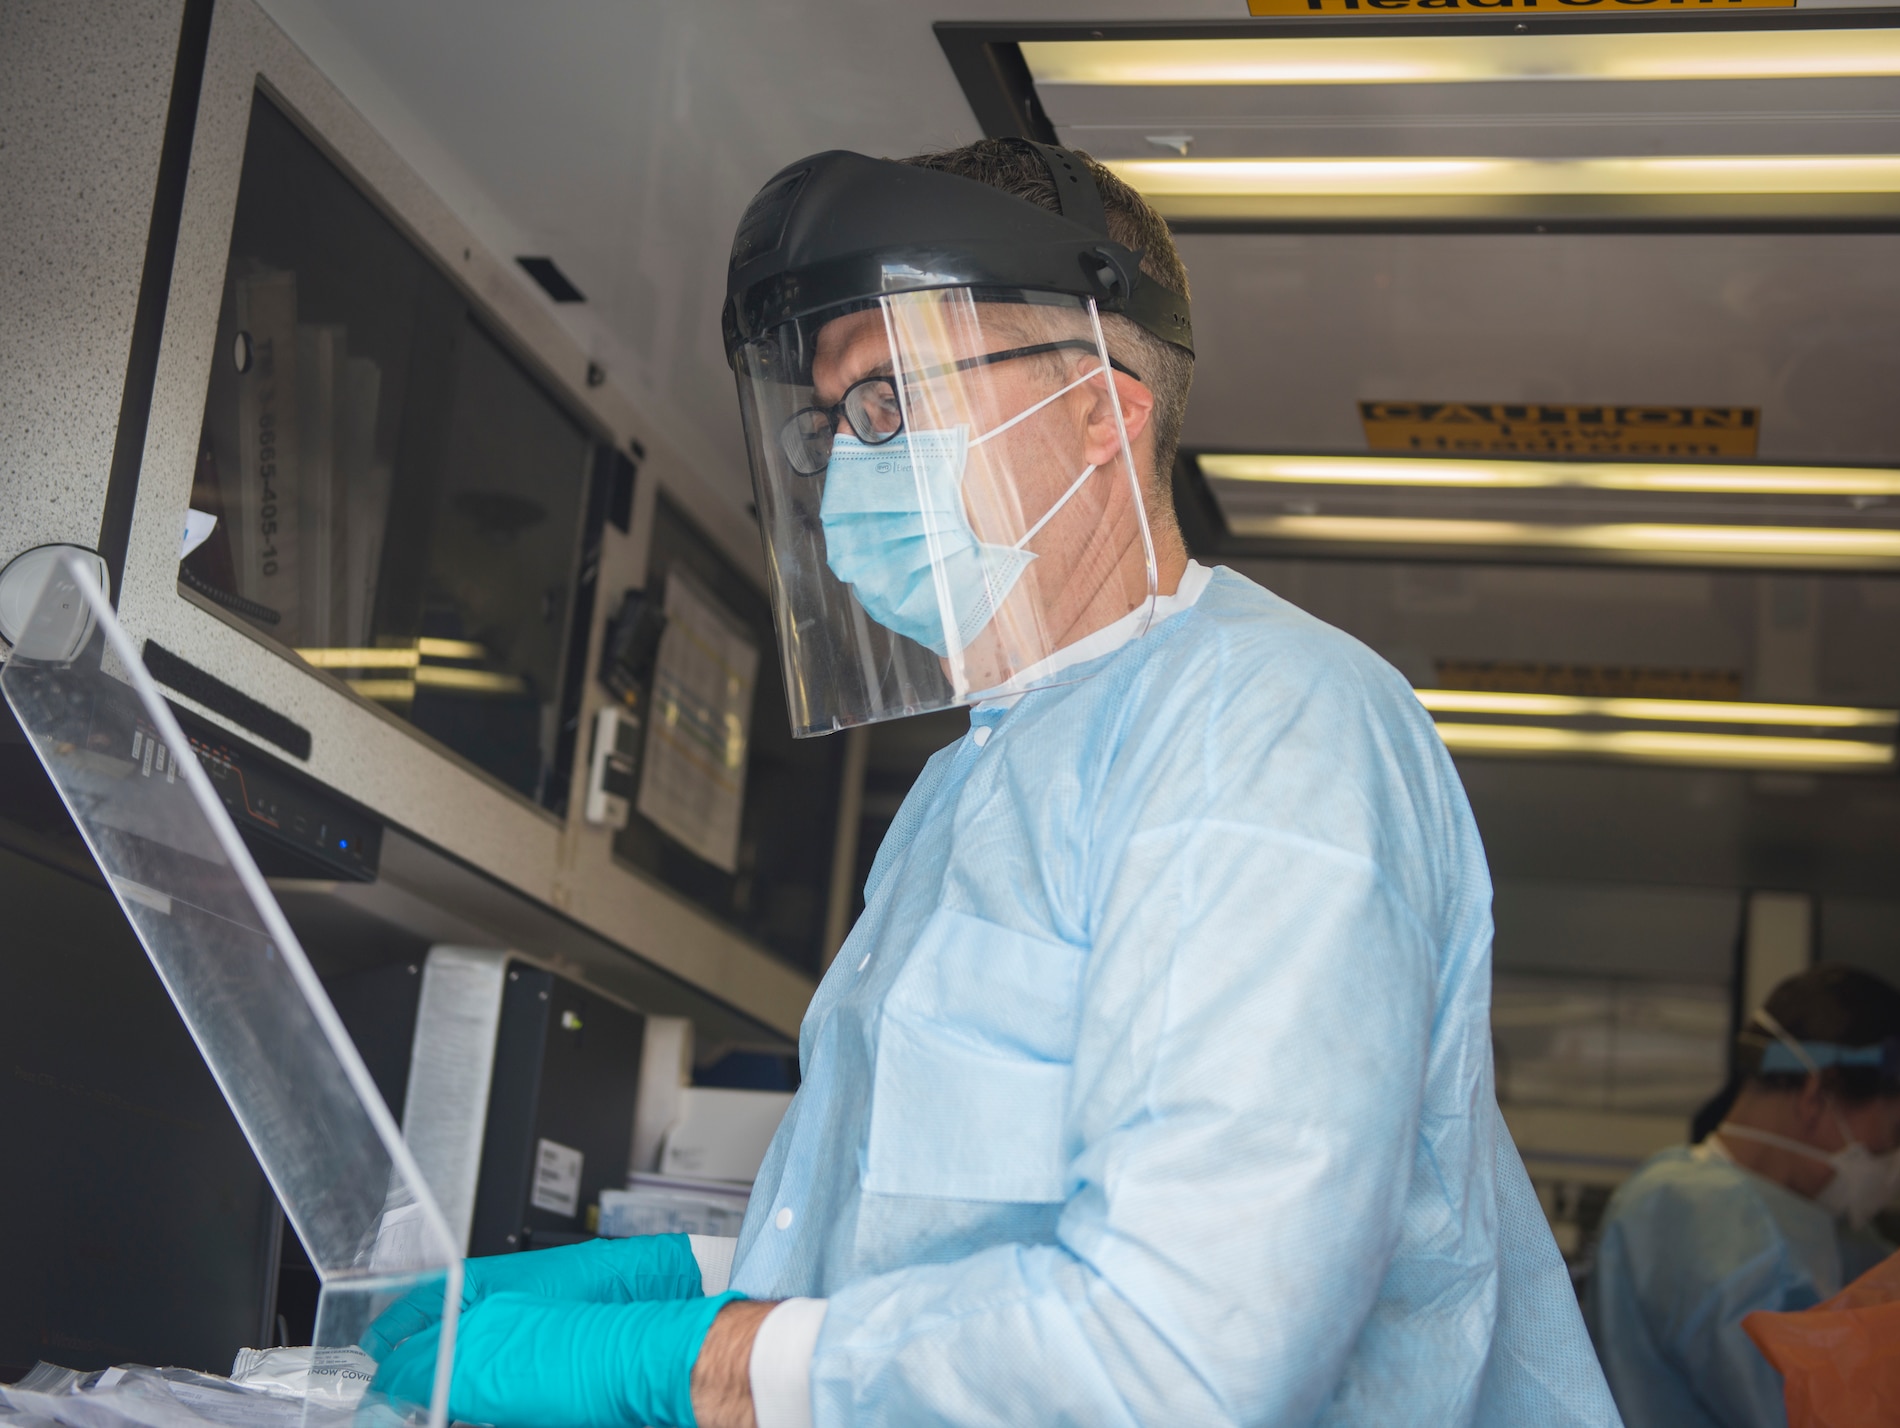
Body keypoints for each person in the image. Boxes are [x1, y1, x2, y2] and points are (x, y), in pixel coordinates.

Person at [373, 140, 1618, 1427]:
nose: (849, 462)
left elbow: (1192, 1348)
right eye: (832, 422)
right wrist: (698, 1278)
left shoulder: (1262, 723)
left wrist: (696, 1366)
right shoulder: (979, 774)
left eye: (889, 400)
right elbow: (951, 1232)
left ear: (1099, 410)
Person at [1584, 964, 1900, 1428]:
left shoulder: (1816, 1228)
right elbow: (1798, 1409)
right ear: (1816, 1096)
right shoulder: (1694, 1212)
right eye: (1899, 1131)